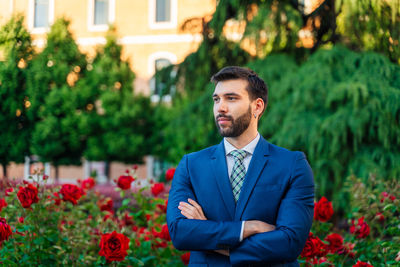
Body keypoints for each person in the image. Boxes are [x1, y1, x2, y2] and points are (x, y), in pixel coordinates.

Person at [166, 66, 314, 266]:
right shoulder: (191, 165)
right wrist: (247, 227)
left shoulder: (292, 165)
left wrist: (207, 234)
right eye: (216, 99)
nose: (221, 108)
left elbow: (289, 243)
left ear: (258, 107)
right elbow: (180, 233)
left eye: (231, 98)